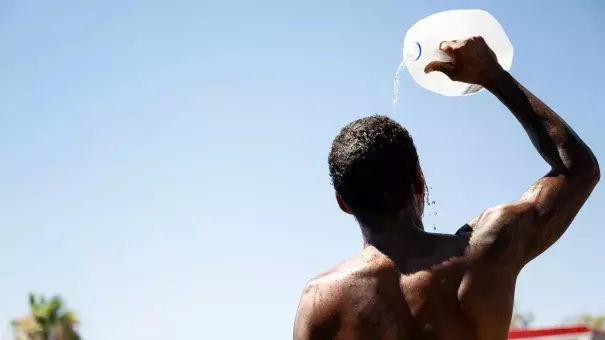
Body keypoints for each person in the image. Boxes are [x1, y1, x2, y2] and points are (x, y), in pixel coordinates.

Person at [293, 36, 600, 340]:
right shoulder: (484, 252)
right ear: (418, 180)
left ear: (343, 203)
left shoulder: (320, 304)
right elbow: (579, 169)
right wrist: (493, 77)